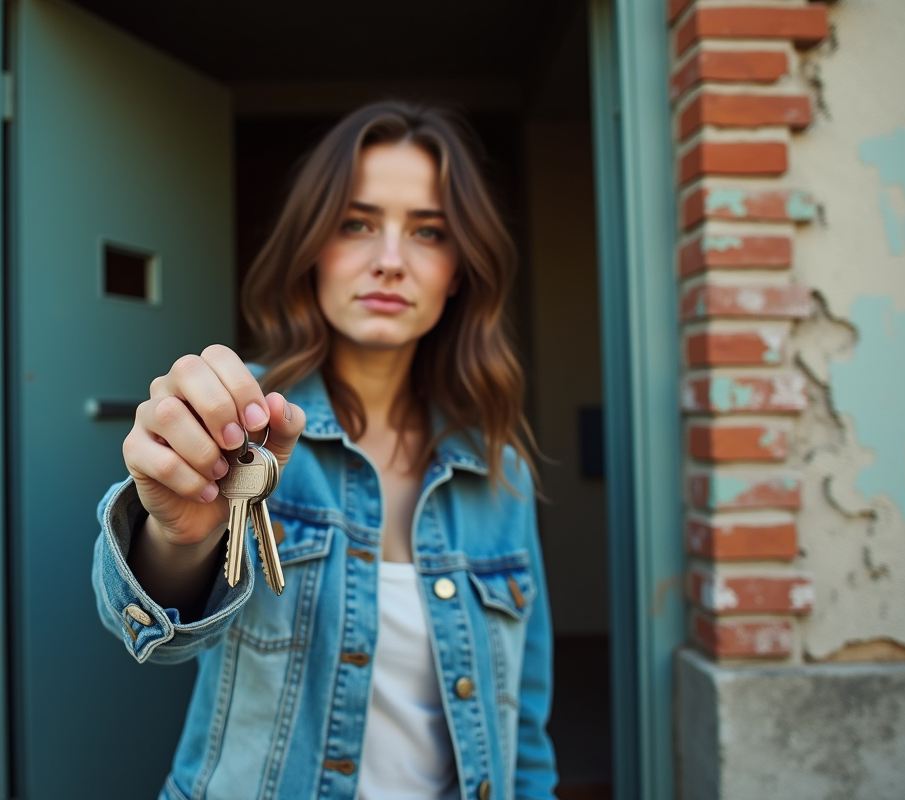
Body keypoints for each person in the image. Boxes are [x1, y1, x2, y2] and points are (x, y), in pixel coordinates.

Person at [93, 100, 557, 800]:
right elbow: (151, 632)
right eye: (357, 224)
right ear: (313, 248)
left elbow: (523, 731)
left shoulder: (500, 471)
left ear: (459, 270)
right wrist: (175, 540)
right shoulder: (240, 425)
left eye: (428, 232)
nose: (390, 261)